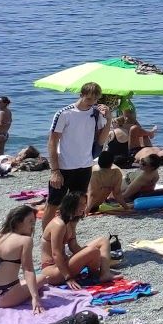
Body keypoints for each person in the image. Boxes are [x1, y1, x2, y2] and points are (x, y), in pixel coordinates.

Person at [45, 81, 106, 223]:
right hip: (64, 167)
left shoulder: (96, 114)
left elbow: (101, 141)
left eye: (95, 99)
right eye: (89, 98)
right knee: (53, 204)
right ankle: (47, 236)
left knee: (77, 205)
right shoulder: (64, 113)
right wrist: (55, 171)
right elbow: (52, 142)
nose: (92, 102)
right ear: (81, 95)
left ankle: (71, 234)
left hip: (85, 166)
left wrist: (108, 118)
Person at [40, 194, 111, 288]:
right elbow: (56, 254)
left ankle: (105, 273)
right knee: (93, 251)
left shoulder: (71, 221)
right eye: (80, 204)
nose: (83, 207)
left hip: (63, 264)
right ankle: (95, 273)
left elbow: (73, 247)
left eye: (84, 204)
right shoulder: (59, 224)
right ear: (70, 205)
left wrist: (89, 257)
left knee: (103, 241)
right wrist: (68, 277)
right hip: (52, 270)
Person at [0, 205, 49, 312]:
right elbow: (28, 270)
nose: (33, 226)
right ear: (18, 222)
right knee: (43, 277)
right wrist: (35, 298)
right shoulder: (25, 241)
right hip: (6, 297)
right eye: (30, 222)